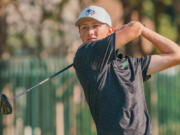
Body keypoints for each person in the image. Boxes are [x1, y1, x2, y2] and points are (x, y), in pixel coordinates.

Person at [73, 5, 180, 135]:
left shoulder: (130, 64)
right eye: (84, 28)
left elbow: (176, 54)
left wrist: (144, 31)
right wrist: (137, 27)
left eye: (95, 25)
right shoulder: (85, 55)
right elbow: (133, 30)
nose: (90, 32)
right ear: (80, 34)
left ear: (109, 31)